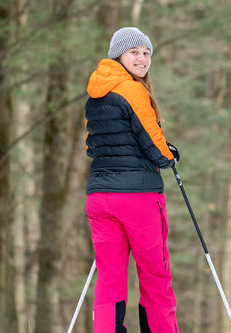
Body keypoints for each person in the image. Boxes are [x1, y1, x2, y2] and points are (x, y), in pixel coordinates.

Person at [84, 26, 181, 332]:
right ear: (118, 55)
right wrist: (170, 155)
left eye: (146, 52)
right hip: (138, 197)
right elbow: (155, 145)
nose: (142, 58)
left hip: (99, 198)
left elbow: (91, 144)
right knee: (155, 274)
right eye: (134, 52)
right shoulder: (131, 89)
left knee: (110, 275)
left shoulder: (95, 94)